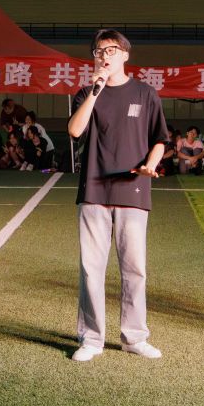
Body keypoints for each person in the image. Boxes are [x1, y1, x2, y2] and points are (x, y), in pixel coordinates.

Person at [68, 29, 167, 362]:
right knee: (91, 269)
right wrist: (96, 90)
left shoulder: (145, 93)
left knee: (134, 269)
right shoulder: (86, 93)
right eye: (99, 51)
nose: (104, 56)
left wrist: (151, 164)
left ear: (125, 54)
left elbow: (159, 139)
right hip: (94, 189)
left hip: (133, 190)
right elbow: (75, 130)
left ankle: (134, 337)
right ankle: (91, 338)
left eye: (111, 50)